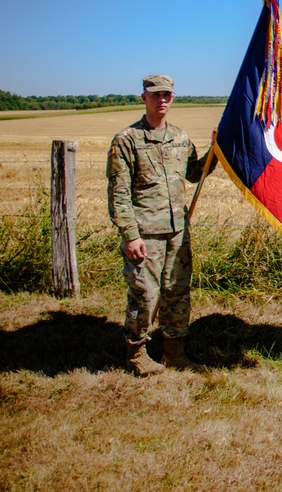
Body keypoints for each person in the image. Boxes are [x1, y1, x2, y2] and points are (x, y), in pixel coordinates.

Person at [107, 74, 213, 376]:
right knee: (144, 295)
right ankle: (136, 354)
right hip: (145, 236)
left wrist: (215, 152)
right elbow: (119, 193)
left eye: (166, 94)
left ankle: (174, 353)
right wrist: (130, 235)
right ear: (144, 98)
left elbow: (194, 173)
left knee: (177, 293)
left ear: (172, 98)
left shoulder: (180, 138)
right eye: (155, 95)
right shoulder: (127, 140)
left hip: (178, 232)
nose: (161, 99)